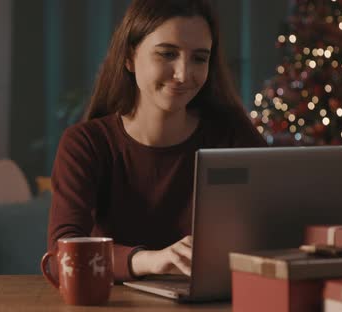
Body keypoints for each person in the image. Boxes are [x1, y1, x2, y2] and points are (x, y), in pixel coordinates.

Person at [47, 0, 267, 282]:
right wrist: (151, 260)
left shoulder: (232, 135)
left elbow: (274, 225)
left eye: (199, 58)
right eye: (167, 54)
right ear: (129, 57)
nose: (184, 74)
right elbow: (60, 256)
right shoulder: (87, 143)